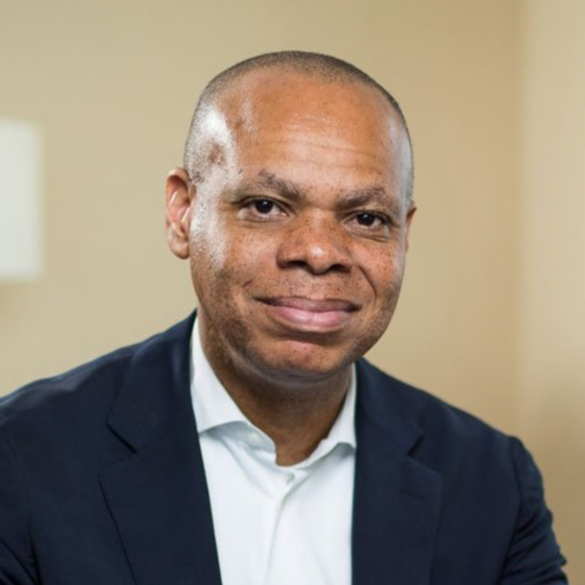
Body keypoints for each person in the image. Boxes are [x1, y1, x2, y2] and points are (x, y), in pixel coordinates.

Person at [0, 51, 568, 585]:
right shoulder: (22, 459)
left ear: (404, 235)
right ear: (182, 213)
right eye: (266, 206)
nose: (318, 253)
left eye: (366, 218)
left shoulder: (492, 484)